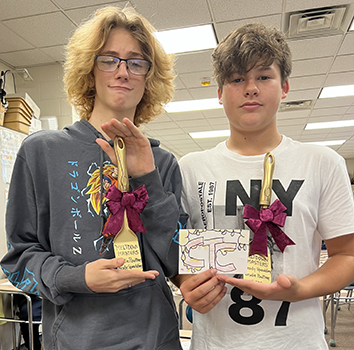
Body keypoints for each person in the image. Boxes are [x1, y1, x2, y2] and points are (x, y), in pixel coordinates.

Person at [1, 6, 186, 350]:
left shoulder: (162, 162)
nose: (123, 71)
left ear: (149, 76)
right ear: (90, 69)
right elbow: (17, 261)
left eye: (136, 62)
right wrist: (76, 276)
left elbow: (179, 262)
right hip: (75, 340)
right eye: (109, 59)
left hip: (156, 338)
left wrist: (148, 177)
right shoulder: (41, 152)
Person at [173, 23, 354, 349]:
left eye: (263, 77)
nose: (250, 88)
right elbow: (175, 251)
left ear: (284, 86)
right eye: (237, 79)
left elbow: (347, 254)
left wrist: (300, 289)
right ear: (219, 93)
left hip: (296, 340)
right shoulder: (190, 168)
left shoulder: (322, 163)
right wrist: (187, 284)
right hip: (216, 342)